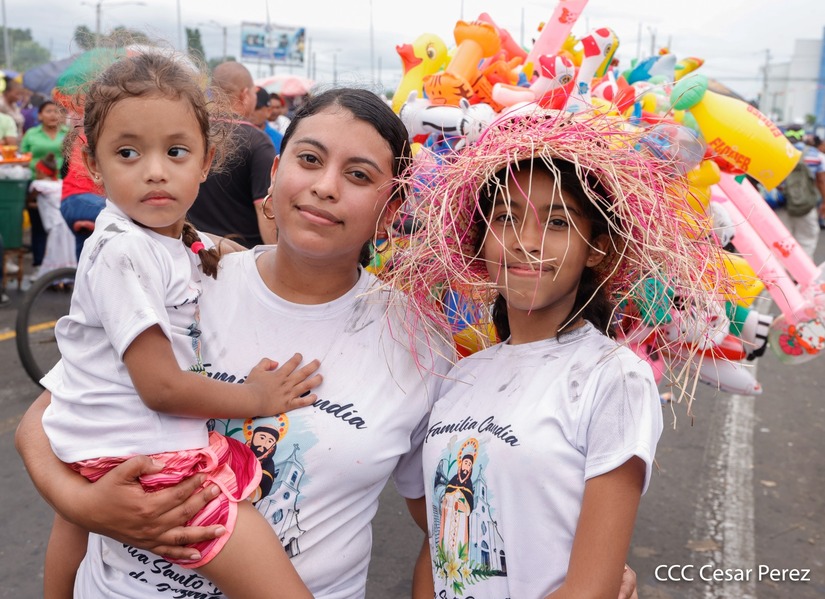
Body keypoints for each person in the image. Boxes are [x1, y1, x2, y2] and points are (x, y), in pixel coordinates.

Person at [16, 88, 641, 599]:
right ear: (275, 174)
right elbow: (50, 420)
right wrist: (86, 504)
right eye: (309, 160)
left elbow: (453, 506)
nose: (325, 187)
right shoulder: (188, 282)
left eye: (359, 175)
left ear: (392, 207)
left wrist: (583, 571)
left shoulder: (418, 343)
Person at [387, 109, 727, 598]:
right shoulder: (460, 375)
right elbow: (439, 549)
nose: (526, 243)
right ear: (481, 239)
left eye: (558, 222)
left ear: (596, 248)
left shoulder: (613, 377)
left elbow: (591, 588)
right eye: (506, 218)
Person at [36, 50, 322, 599]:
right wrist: (257, 398)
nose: (155, 170)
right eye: (127, 152)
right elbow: (161, 388)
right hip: (147, 459)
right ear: (93, 163)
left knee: (72, 526)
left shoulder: (161, 239)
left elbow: (199, 246)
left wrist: (221, 249)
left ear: (205, 160)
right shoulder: (123, 252)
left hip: (94, 446)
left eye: (175, 151)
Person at [186, 62, 278, 248]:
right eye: (254, 93)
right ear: (244, 94)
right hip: (241, 253)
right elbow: (265, 207)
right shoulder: (257, 141)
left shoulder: (190, 130)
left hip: (193, 247)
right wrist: (274, 254)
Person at [20, 100, 70, 274]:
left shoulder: (67, 133)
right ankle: (38, 265)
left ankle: (62, 268)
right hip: (37, 183)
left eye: (57, 111)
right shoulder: (31, 134)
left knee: (62, 225)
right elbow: (23, 157)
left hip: (61, 183)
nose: (53, 115)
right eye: (48, 111)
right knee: (39, 225)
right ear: (40, 115)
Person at [27, 153, 76, 276]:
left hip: (55, 223)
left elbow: (30, 200)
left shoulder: (38, 185)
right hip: (67, 221)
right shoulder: (60, 183)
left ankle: (53, 277)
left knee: (54, 253)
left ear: (42, 172)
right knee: (67, 251)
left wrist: (30, 203)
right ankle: (67, 276)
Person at [781, 126, 822, 259]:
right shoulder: (814, 154)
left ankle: (780, 269)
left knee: (781, 239)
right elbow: (821, 180)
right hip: (806, 204)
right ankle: (801, 269)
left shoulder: (778, 151)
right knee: (806, 239)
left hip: (782, 203)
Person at [251, 86, 283, 152]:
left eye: (256, 108)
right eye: (248, 107)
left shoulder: (278, 139)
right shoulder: (235, 135)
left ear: (268, 111)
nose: (251, 112)